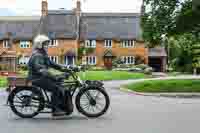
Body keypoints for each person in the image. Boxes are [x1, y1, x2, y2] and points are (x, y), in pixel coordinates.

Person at [28, 34, 66, 116]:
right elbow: (41, 69)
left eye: (47, 44)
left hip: (40, 77)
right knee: (55, 88)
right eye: (45, 44)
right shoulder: (37, 55)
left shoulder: (42, 53)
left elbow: (51, 64)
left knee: (59, 84)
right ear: (39, 44)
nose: (47, 46)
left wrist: (64, 68)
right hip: (36, 78)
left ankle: (56, 104)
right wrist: (54, 76)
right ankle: (55, 110)